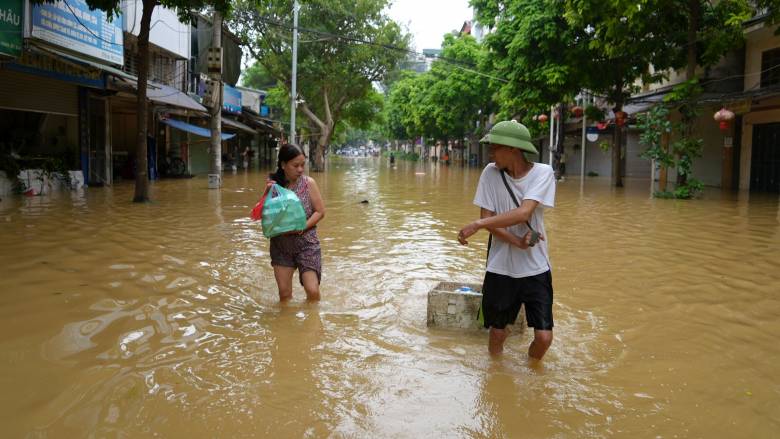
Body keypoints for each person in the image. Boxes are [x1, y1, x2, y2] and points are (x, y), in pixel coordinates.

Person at [457, 120, 556, 360]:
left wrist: (477, 225)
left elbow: (524, 212)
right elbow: (488, 218)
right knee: (498, 332)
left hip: (536, 266)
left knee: (544, 338)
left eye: (495, 147)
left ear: (513, 149)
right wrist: (515, 241)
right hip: (501, 266)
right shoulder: (490, 173)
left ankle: (532, 371)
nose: (490, 153)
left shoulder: (543, 172)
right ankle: (496, 374)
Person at [266, 144, 326, 301]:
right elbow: (266, 216)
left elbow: (320, 212)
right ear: (283, 165)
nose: (300, 169)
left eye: (302, 165)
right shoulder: (274, 186)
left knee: (312, 291)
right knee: (284, 295)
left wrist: (302, 227)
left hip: (307, 244)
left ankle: (312, 322)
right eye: (296, 165)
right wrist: (267, 194)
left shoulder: (309, 183)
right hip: (281, 246)